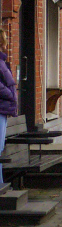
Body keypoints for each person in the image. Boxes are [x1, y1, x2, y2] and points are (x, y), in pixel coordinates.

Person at [0, 31, 16, 186]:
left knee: (0, 147)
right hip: (1, 108)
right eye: (5, 40)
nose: (7, 44)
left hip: (3, 109)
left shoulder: (2, 61)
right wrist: (9, 95)